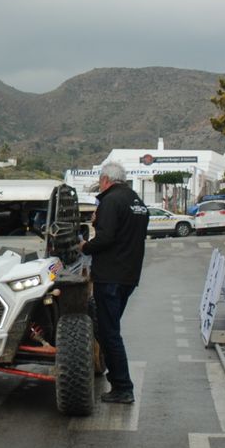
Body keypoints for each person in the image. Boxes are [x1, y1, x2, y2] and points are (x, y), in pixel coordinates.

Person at [79, 161, 148, 404]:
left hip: (110, 276)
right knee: (110, 329)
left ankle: (122, 387)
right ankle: (119, 382)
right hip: (129, 274)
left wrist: (85, 246)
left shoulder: (110, 201)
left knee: (109, 333)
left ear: (106, 180)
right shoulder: (137, 201)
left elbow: (106, 238)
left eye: (100, 181)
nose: (100, 185)